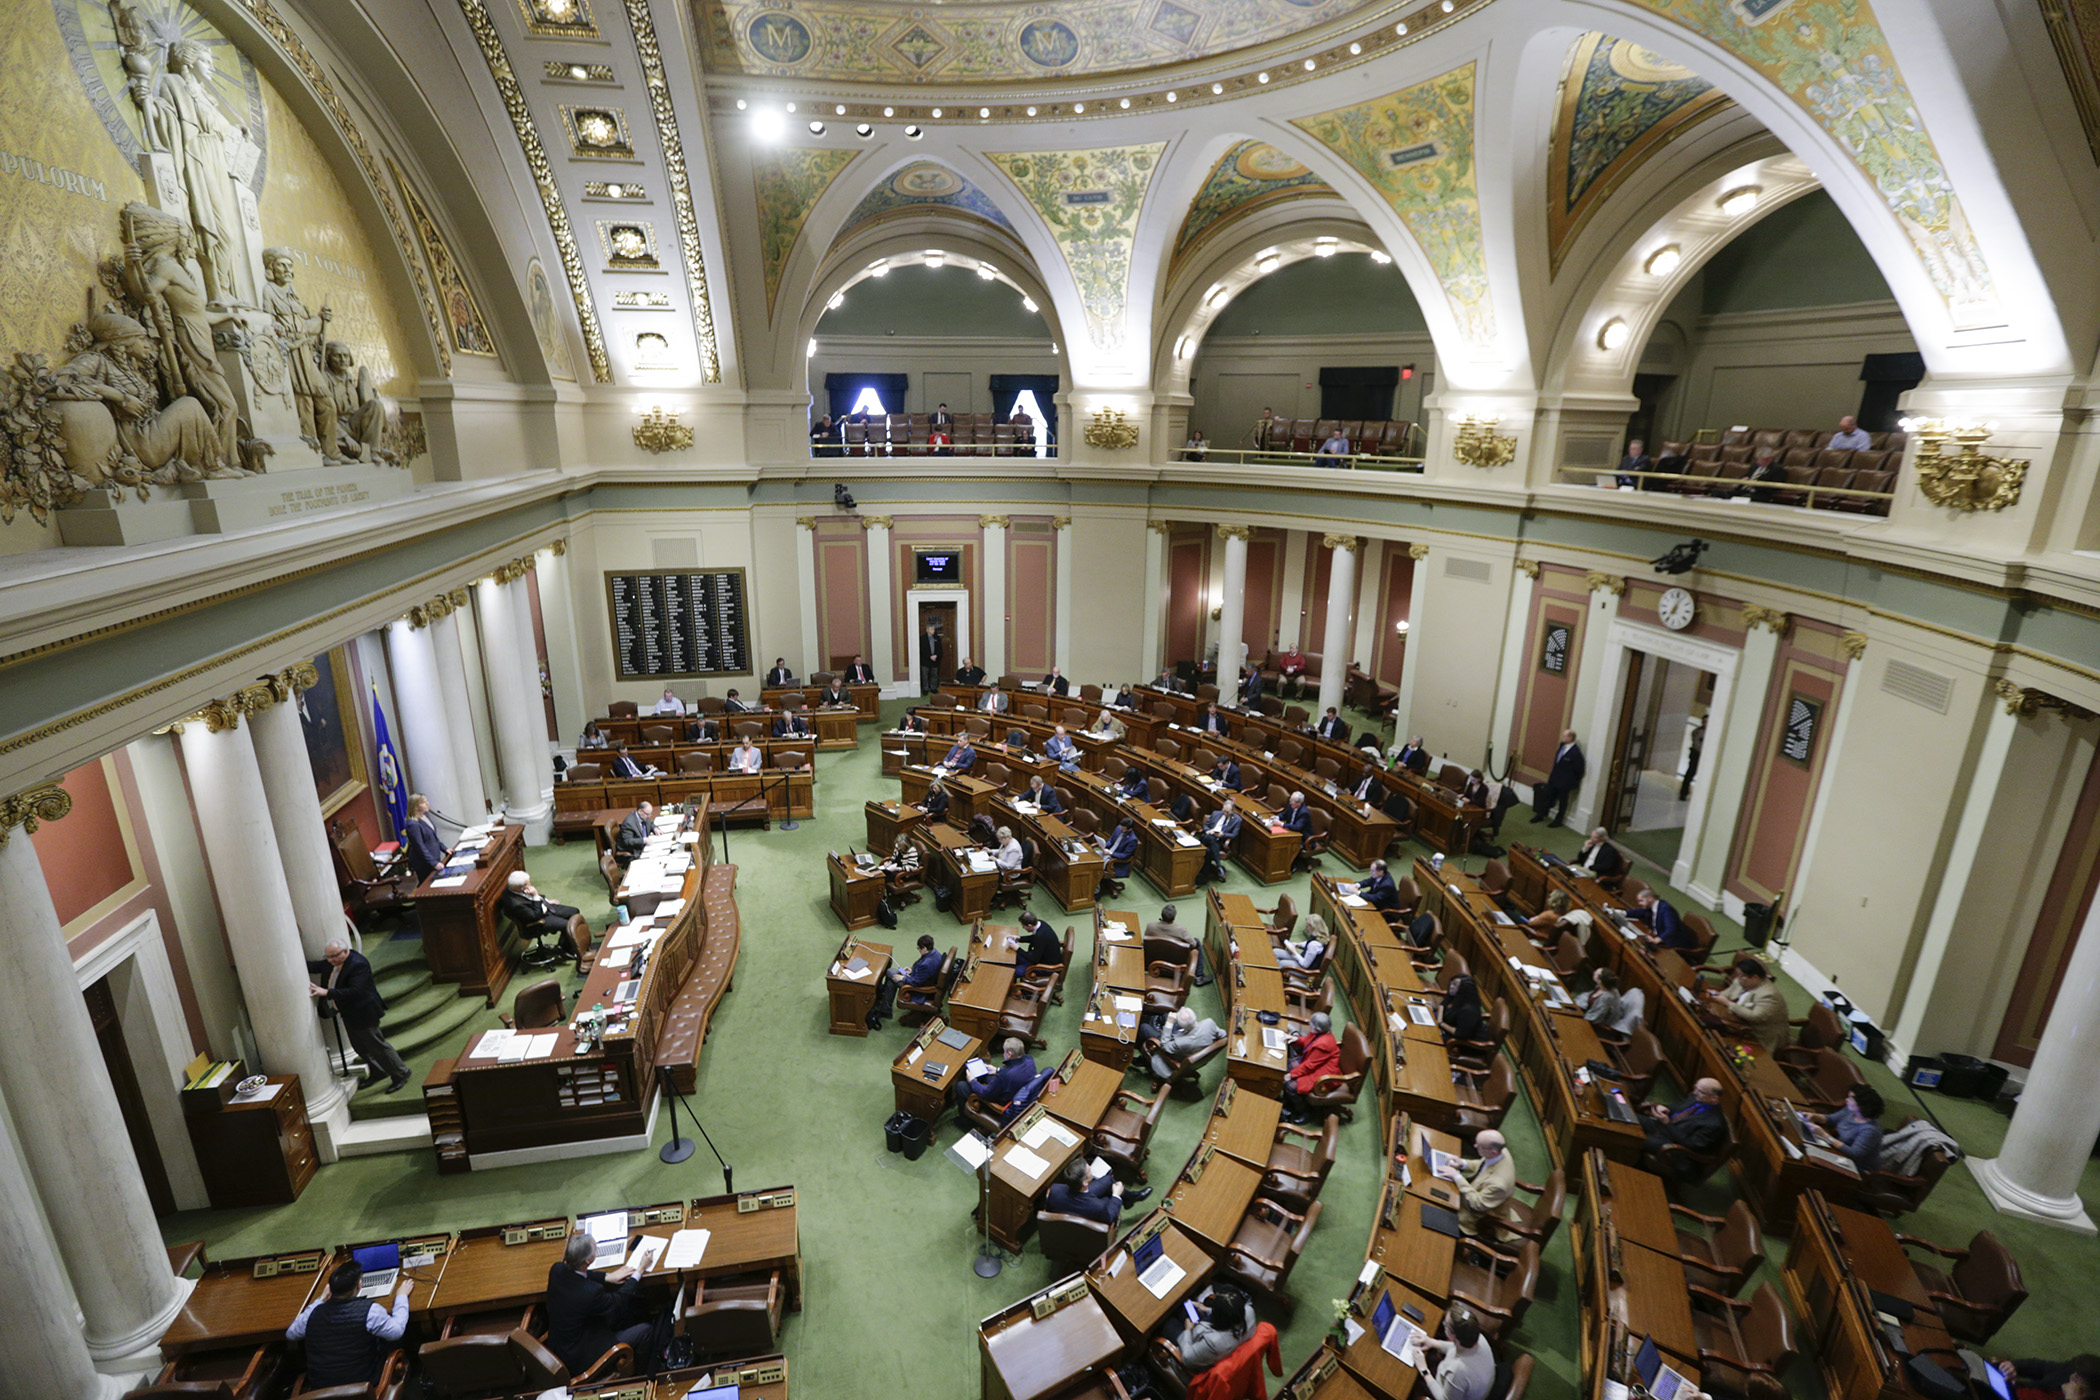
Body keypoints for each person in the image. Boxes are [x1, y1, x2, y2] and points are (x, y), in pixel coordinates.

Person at [286, 1259, 412, 1388]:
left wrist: (321, 1299)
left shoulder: (314, 1313)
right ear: (358, 1286)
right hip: (363, 1385)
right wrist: (401, 1296)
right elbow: (397, 1332)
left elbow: (291, 1334)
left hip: (322, 1390)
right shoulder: (370, 1311)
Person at [308, 939, 411, 1093]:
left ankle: (401, 1073)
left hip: (364, 1012)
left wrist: (327, 992)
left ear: (346, 951)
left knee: (378, 1047)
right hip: (349, 1013)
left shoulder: (358, 964)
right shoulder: (332, 962)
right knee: (360, 1047)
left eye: (334, 956)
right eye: (328, 957)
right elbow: (316, 966)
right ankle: (378, 1072)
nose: (330, 960)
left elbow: (355, 991)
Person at [546, 1230, 654, 1376]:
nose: (597, 1249)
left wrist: (607, 1277)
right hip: (582, 1357)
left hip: (561, 1346)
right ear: (588, 1261)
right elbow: (620, 1300)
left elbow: (582, 1274)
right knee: (645, 1330)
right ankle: (640, 1377)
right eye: (595, 1249)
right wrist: (640, 1269)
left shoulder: (557, 1270)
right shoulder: (591, 1293)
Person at [1441, 1129, 1517, 1240]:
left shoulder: (1499, 1185)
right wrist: (1462, 1163)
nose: (1475, 1146)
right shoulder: (1501, 1152)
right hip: (1474, 1195)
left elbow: (1477, 1204)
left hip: (1477, 1218)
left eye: (1480, 1146)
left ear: (1493, 1152)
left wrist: (1457, 1177)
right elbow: (1483, 1164)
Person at [1643, 1077, 1726, 1175]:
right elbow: (1677, 1108)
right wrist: (1665, 1108)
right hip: (1664, 1128)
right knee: (1633, 1120)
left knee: (1638, 1138)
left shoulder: (1714, 1123)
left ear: (1714, 1098)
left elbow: (1690, 1144)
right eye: (1695, 1088)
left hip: (1675, 1147)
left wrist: (1667, 1124)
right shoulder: (1697, 1098)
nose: (1694, 1093)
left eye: (1700, 1091)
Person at [1705, 956, 1788, 1053]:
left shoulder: (1769, 995)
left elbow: (1755, 1016)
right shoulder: (1742, 981)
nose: (1738, 979)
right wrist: (1716, 995)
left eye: (1741, 976)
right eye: (1738, 975)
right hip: (1738, 1020)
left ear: (1755, 977)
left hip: (1760, 1033)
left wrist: (1727, 1003)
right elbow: (1727, 994)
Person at [1416, 1304, 1496, 1400]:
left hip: (1452, 1391)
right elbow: (1455, 1348)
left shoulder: (1458, 1371)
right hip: (1480, 1382)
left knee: (1414, 1386)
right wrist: (1432, 1342)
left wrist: (1424, 1370)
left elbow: (1444, 1398)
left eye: (1445, 1325)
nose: (1444, 1325)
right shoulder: (1479, 1338)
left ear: (1452, 1334)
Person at [1170, 1283, 1256, 1371]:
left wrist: (1188, 1330)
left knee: (1169, 1322)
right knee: (1184, 1309)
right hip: (1219, 1336)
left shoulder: (1213, 1343)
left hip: (1197, 1347)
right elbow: (1231, 1313)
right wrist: (1206, 1309)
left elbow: (1187, 1359)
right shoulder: (1249, 1311)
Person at [501, 870, 583, 957]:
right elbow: (535, 916)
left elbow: (528, 897)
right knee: (567, 925)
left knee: (574, 912)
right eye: (528, 883)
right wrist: (535, 896)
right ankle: (567, 951)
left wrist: (546, 901)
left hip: (542, 907)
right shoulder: (515, 904)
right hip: (537, 921)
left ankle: (563, 945)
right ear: (523, 887)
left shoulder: (515, 888)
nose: (531, 884)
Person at [1045, 1156, 1148, 1223]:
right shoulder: (1099, 1207)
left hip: (1077, 1195)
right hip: (1087, 1204)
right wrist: (1116, 1195)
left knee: (1108, 1180)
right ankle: (1126, 1199)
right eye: (1089, 1170)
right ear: (1085, 1182)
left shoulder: (1055, 1190)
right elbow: (1109, 1217)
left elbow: (1050, 1210)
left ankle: (1129, 1198)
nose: (1090, 1166)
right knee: (1110, 1195)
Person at [1805, 1085, 1886, 1169]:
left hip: (1856, 1167)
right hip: (1839, 1153)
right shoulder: (1851, 1111)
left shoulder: (1870, 1130)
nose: (1846, 1100)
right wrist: (1814, 1116)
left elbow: (1854, 1154)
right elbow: (1831, 1119)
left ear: (1862, 1105)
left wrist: (1824, 1135)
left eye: (1851, 1099)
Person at [1281, 1012, 1341, 1121]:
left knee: (1290, 1086)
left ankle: (1303, 1111)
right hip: (1315, 1063)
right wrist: (1296, 1039)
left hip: (1323, 1074)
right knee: (1285, 1065)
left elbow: (1309, 1066)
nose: (1310, 1025)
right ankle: (1289, 1101)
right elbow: (1309, 1042)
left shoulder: (1323, 1044)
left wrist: (1291, 1075)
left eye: (1312, 1024)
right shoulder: (1320, 1033)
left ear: (1317, 1029)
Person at [872, 933, 941, 1025]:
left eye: (919, 948)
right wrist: (912, 970)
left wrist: (903, 978)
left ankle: (884, 1004)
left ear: (924, 948)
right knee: (891, 979)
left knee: (890, 973)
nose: (918, 950)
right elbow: (924, 973)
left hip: (918, 989)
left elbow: (917, 982)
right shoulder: (935, 953)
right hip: (921, 979)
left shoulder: (926, 964)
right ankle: (885, 1007)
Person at [1145, 1005, 1224, 1080]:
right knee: (1166, 1016)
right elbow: (1223, 1035)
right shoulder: (1209, 1023)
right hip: (1188, 1044)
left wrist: (1169, 1023)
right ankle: (1152, 1020)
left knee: (1145, 1028)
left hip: (1173, 1056)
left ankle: (1142, 1059)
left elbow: (1165, 1046)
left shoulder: (1181, 1043)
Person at [957, 1036, 1036, 1109]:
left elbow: (985, 1093)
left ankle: (965, 1121)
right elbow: (1016, 1070)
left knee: (961, 1086)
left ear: (1009, 1054)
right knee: (985, 1074)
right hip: (1017, 1089)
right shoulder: (1029, 1059)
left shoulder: (1003, 1076)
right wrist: (997, 1070)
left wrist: (972, 1081)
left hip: (1004, 1101)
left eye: (1004, 1051)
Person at [1146, 902, 1212, 985]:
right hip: (1175, 965)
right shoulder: (1181, 930)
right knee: (1197, 941)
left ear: (1162, 915)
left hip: (1155, 963)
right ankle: (1199, 976)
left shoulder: (1150, 926)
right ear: (1174, 917)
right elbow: (1193, 944)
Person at [1534, 729, 1585, 827]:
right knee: (1548, 796)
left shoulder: (1576, 753)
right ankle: (1541, 814)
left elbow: (1579, 769)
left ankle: (1558, 820)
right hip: (1555, 778)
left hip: (1565, 782)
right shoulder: (1562, 746)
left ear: (1570, 738)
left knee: (1562, 801)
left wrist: (1569, 779)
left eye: (1565, 736)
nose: (1563, 738)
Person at [1993, 1355, 2100, 1400]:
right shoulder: (2067, 1372)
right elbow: (2040, 1366)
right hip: (2010, 1391)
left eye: (2077, 1378)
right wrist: (2013, 1366)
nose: (2072, 1376)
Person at [401, 794, 449, 881]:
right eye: (423, 802)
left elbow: (433, 838)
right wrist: (433, 863)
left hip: (434, 857)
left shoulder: (425, 816)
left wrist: (445, 849)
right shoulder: (413, 824)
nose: (427, 804)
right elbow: (419, 847)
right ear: (416, 807)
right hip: (424, 863)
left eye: (427, 801)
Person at [1631, 888, 1693, 952]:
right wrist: (1624, 913)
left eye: (1641, 901)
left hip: (1672, 942)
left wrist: (1657, 939)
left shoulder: (1666, 910)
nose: (1639, 903)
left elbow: (1671, 929)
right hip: (1657, 935)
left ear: (1650, 899)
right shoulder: (1651, 906)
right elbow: (1641, 912)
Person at [1197, 801, 1241, 882]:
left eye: (1228, 812)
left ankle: (1201, 879)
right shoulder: (1216, 813)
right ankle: (1218, 865)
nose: (1225, 813)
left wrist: (1222, 835)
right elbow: (1206, 825)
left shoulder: (1237, 820)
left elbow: (1234, 835)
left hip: (1219, 842)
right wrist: (1209, 831)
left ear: (1233, 811)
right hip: (1206, 838)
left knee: (1208, 852)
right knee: (1210, 838)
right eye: (1224, 810)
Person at [1012, 912, 1061, 982]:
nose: (1023, 928)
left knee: (1014, 971)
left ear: (1029, 925)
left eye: (1024, 926)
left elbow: (1034, 959)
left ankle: (1013, 990)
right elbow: (1034, 938)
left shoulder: (1040, 936)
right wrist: (1019, 938)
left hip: (1047, 967)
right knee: (1015, 956)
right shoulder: (1041, 923)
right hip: (1042, 956)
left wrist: (1018, 949)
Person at [1440, 973, 1486, 1045]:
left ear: (1464, 990)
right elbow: (1443, 1004)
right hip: (1448, 1025)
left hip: (1463, 1041)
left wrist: (1441, 1024)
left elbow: (1459, 1034)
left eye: (1455, 985)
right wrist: (1439, 1020)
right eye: (1452, 983)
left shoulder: (1468, 1011)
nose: (1451, 986)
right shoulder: (1455, 996)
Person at [1100, 817, 1139, 893]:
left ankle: (1096, 886)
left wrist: (1111, 853)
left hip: (1116, 861)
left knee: (1098, 864)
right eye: (1121, 827)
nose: (1121, 829)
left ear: (1130, 829)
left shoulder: (1132, 839)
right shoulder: (1118, 828)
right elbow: (1111, 841)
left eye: (1123, 828)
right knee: (1093, 857)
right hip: (1108, 853)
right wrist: (1104, 845)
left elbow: (1125, 855)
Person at [920, 623, 944, 695]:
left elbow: (940, 648)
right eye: (931, 629)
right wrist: (929, 656)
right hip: (925, 660)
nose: (933, 630)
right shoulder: (922, 638)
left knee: (934, 675)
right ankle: (925, 688)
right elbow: (922, 650)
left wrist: (936, 655)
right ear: (927, 630)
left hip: (935, 660)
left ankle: (933, 688)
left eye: (933, 629)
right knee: (925, 675)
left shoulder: (937, 638)